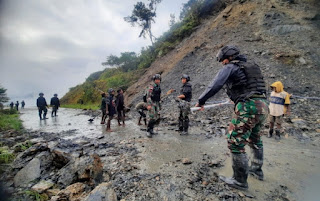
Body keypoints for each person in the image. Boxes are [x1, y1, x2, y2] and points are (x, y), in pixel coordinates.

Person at [195, 45, 268, 190]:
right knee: (255, 139)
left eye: (223, 60)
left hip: (248, 107)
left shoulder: (231, 67)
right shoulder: (252, 67)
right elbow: (253, 87)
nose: (223, 63)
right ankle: (256, 170)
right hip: (263, 105)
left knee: (235, 143)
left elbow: (215, 84)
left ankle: (239, 181)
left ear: (228, 58)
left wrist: (201, 100)